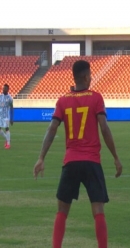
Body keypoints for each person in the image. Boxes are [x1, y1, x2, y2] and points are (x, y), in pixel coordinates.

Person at [33, 60, 123, 248]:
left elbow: (52, 129)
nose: (91, 78)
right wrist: (115, 157)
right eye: (90, 75)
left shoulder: (63, 100)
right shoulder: (96, 98)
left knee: (62, 210)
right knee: (98, 209)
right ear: (84, 76)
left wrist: (41, 157)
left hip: (71, 161)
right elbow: (104, 128)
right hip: (91, 161)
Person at [0, 84, 14, 149]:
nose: (3, 89)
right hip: (0, 115)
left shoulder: (10, 98)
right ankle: (7, 138)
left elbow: (11, 108)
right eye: (3, 88)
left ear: (8, 89)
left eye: (5, 88)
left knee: (6, 128)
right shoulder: (0, 96)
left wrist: (11, 118)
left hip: (6, 116)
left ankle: (8, 144)